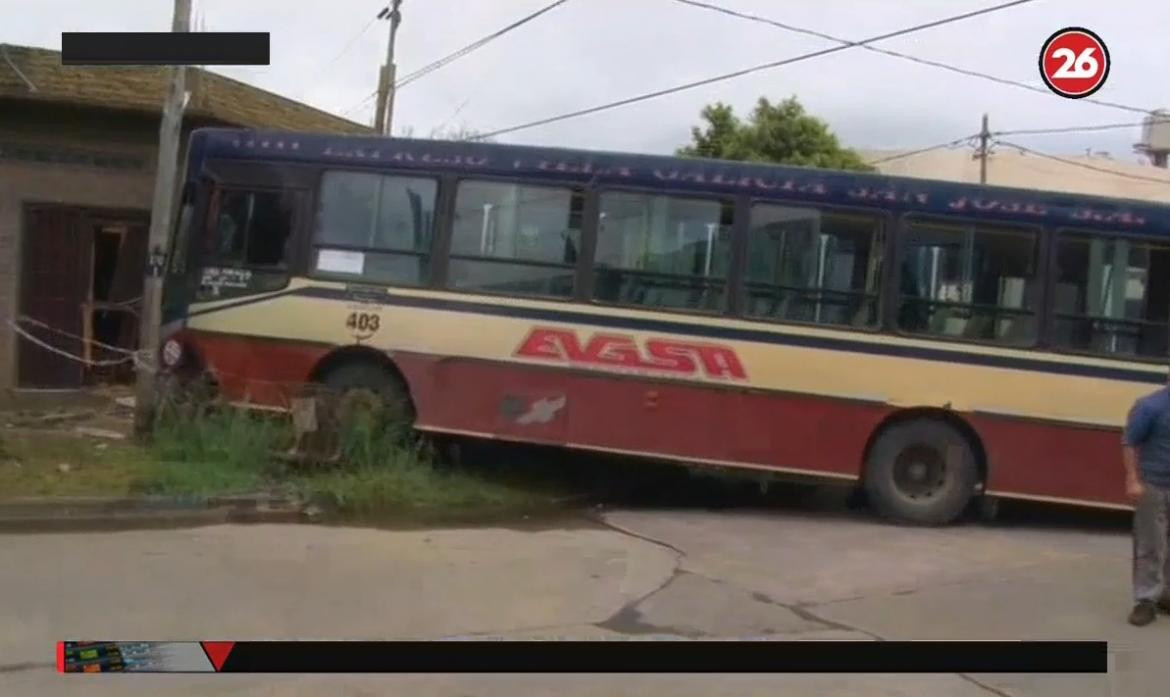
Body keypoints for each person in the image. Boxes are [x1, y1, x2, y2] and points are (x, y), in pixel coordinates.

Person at [1121, 378, 1170, 626]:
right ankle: (1145, 601)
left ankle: (1166, 596)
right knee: (1151, 543)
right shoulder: (1150, 406)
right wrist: (1132, 480)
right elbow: (1129, 442)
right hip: (1154, 484)